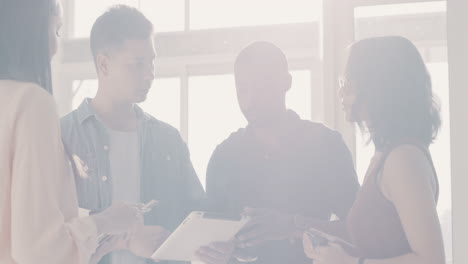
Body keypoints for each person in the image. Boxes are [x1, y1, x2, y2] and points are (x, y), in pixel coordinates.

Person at [60, 5, 205, 264]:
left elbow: (196, 219)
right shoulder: (62, 137)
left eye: (151, 62)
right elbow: (49, 232)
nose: (150, 74)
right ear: (104, 64)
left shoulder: (169, 140)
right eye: (137, 64)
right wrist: (126, 240)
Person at [0, 1, 142, 263]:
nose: (56, 47)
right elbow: (38, 249)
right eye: (56, 30)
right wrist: (104, 222)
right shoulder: (30, 102)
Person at [195, 41, 360, 264]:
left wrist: (295, 225)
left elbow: (359, 231)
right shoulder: (223, 157)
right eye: (243, 90)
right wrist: (218, 252)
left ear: (287, 82)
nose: (250, 101)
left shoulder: (326, 145)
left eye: (261, 88)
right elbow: (211, 241)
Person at [303, 36, 445, 264]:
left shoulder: (403, 159)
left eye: (347, 84)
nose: (341, 94)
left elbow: (432, 260)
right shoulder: (387, 155)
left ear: (378, 87)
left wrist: (349, 262)